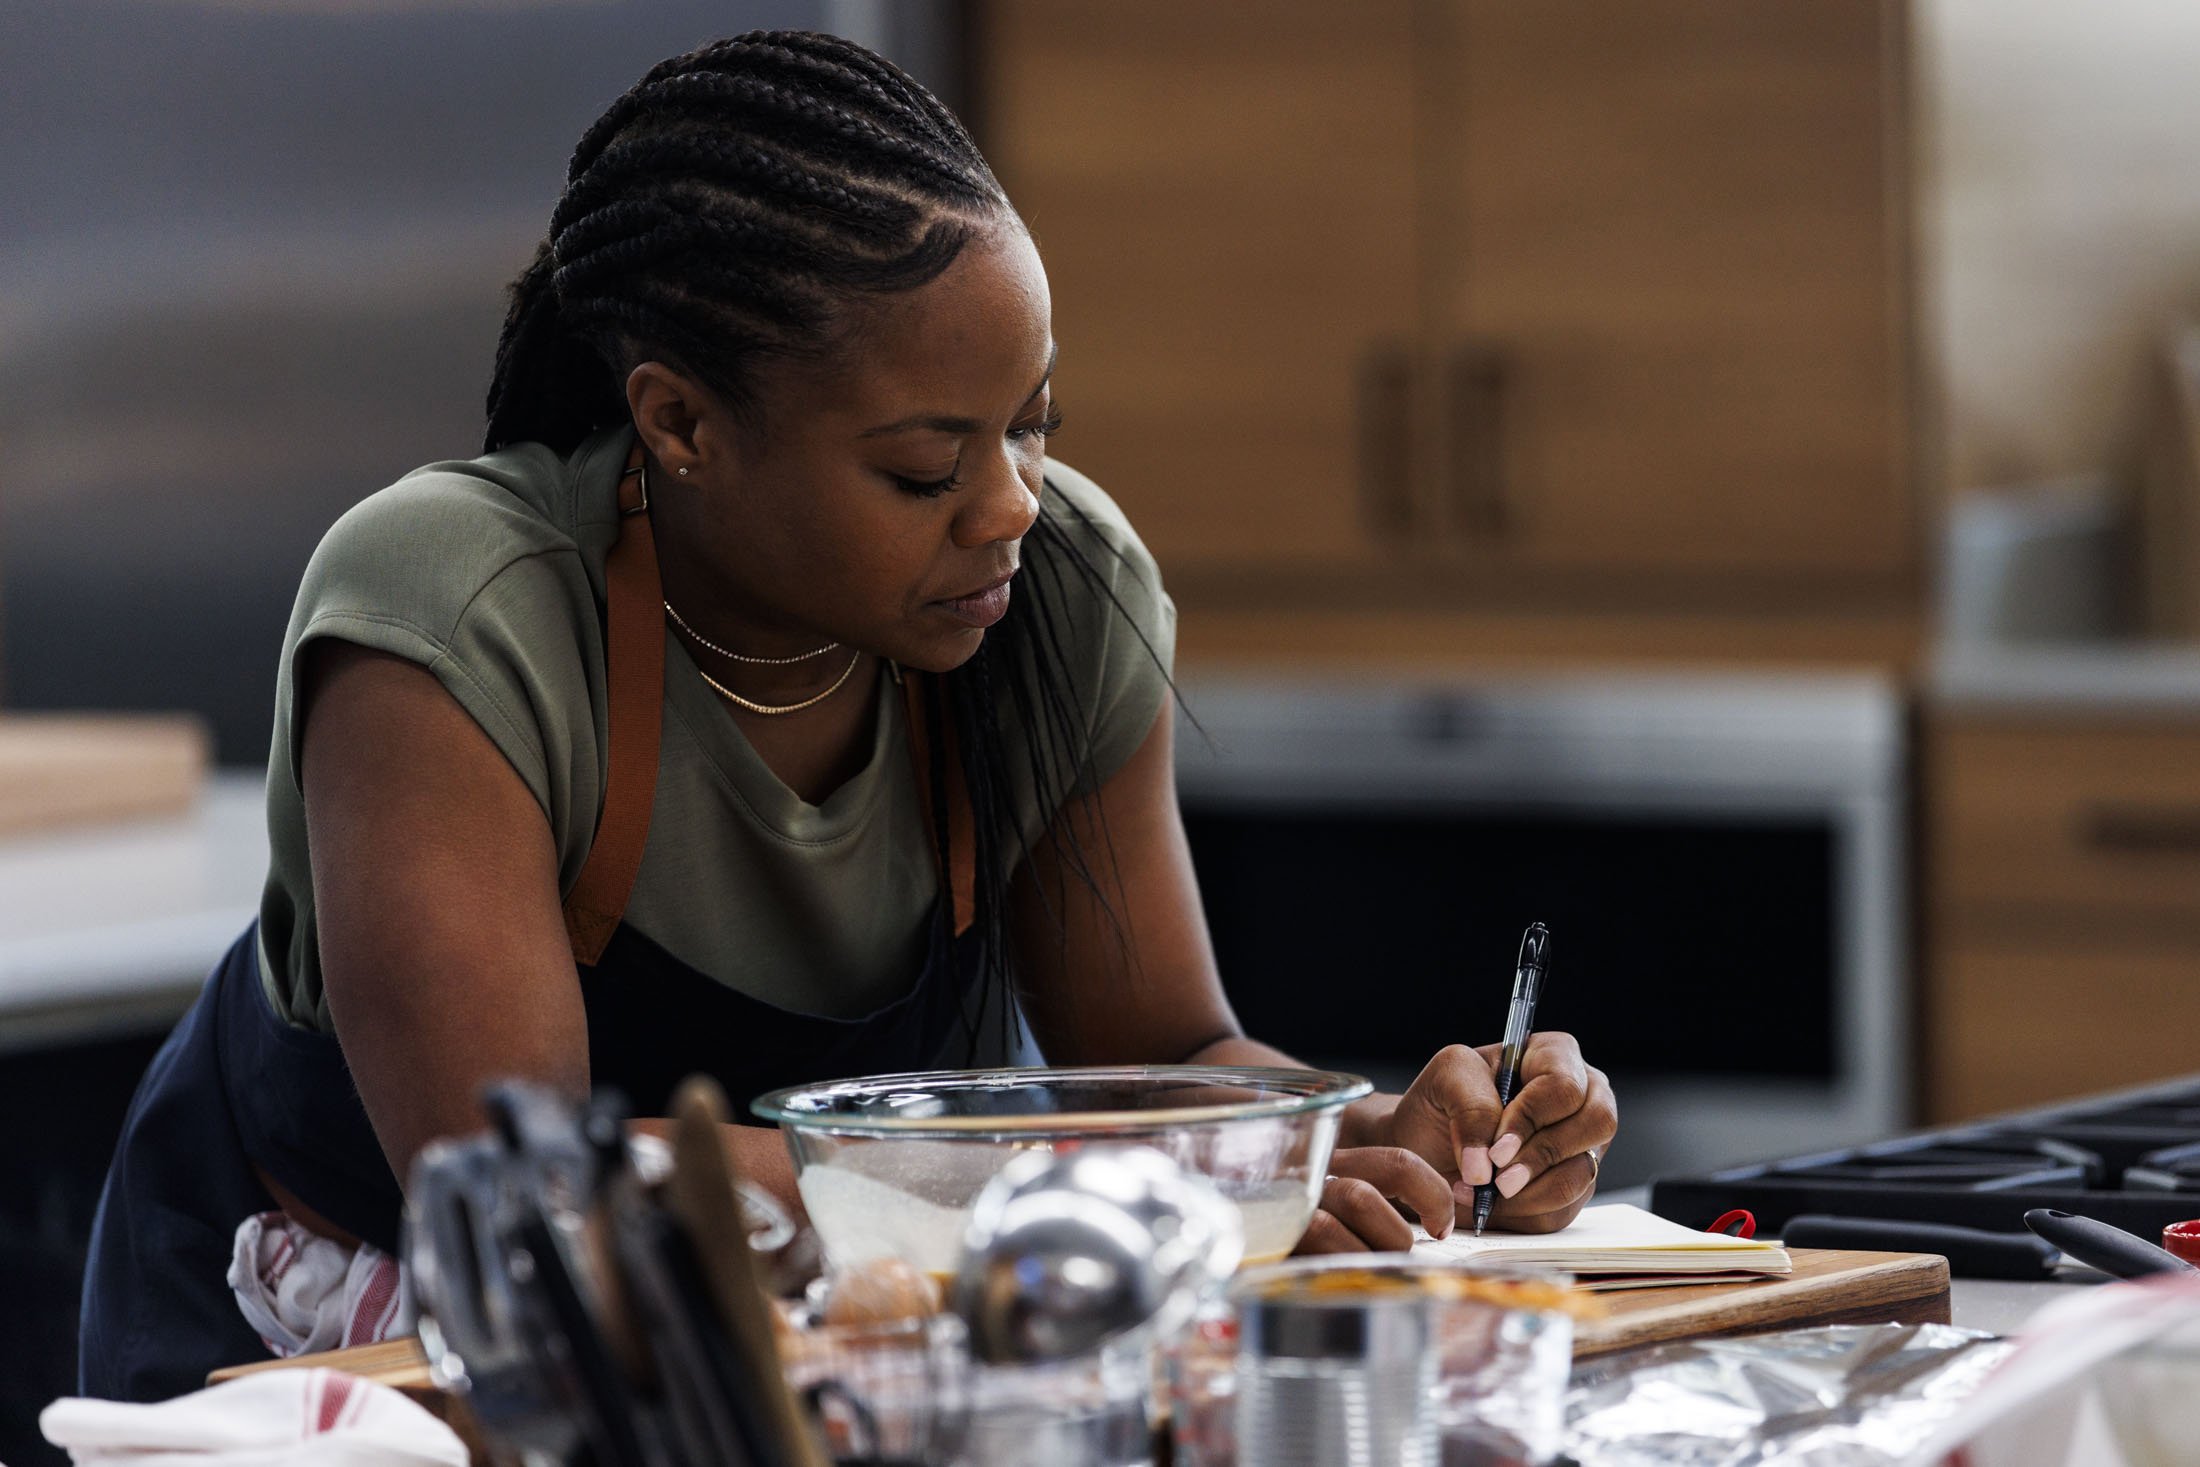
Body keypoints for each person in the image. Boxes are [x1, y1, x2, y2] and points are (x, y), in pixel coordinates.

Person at [79, 31, 1617, 1402]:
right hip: (358, 1360)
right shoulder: (459, 609)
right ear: (681, 424)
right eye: (923, 469)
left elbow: (1170, 1053)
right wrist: (1122, 1180)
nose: (1012, 506)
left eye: (1032, 427)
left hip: (834, 1356)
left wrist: (1366, 1146)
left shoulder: (1059, 591)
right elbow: (524, 1199)